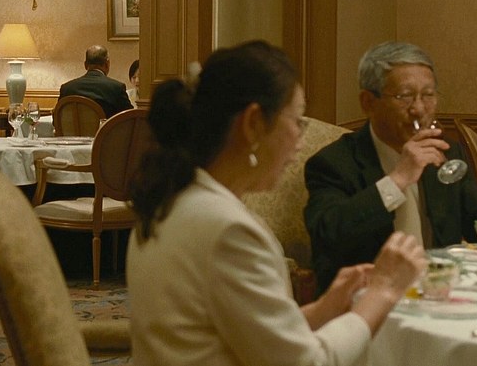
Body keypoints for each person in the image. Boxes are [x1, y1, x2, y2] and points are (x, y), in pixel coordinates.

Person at [127, 40, 426, 366]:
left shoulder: (172, 199)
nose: (300, 141)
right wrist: (383, 291)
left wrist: (325, 308)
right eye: (297, 121)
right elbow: (308, 363)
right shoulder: (227, 230)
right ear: (253, 123)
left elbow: (249, 337)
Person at [304, 41, 477, 293]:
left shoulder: (446, 151)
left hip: (438, 290)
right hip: (369, 298)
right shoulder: (333, 163)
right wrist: (398, 178)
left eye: (428, 95)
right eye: (404, 96)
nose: (419, 109)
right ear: (368, 102)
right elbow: (328, 235)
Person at [59, 45, 133, 118]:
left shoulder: (66, 89)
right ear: (107, 64)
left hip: (72, 127)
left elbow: (57, 118)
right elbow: (130, 118)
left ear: (85, 65)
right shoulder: (116, 88)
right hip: (105, 126)